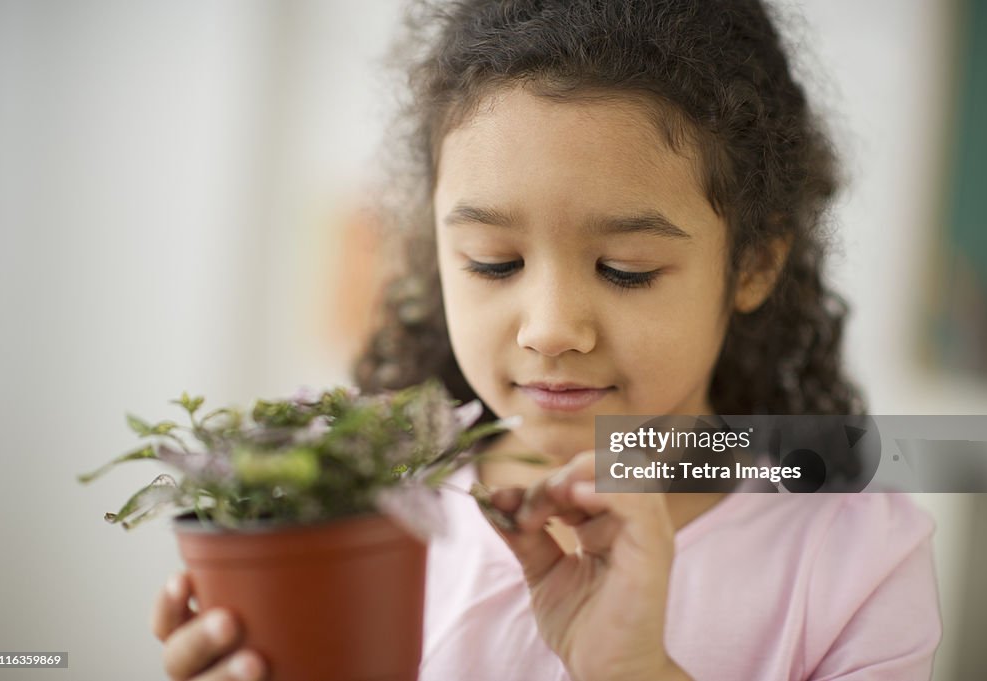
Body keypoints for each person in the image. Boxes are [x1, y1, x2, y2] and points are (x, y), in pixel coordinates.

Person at [151, 1, 942, 679]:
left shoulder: (855, 557)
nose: (551, 329)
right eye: (494, 262)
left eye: (625, 269)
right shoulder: (359, 520)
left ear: (754, 263)